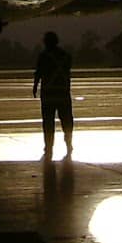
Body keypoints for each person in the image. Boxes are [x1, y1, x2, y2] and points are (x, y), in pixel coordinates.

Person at [32, 30, 74, 158]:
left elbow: (38, 73)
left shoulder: (43, 56)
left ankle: (49, 147)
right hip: (63, 93)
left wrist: (35, 86)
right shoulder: (66, 56)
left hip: (48, 94)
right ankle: (68, 144)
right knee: (67, 121)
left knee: (48, 122)